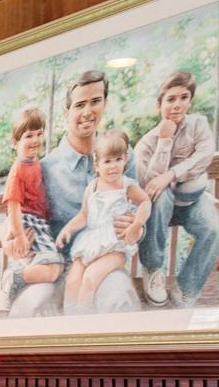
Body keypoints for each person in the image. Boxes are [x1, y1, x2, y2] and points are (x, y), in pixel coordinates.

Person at [9, 70, 143, 317]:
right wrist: (14, 243)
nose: (88, 112)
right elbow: (17, 221)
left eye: (95, 102)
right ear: (66, 112)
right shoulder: (44, 168)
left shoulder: (122, 155)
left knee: (119, 297)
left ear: (105, 103)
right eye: (80, 105)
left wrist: (135, 226)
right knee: (26, 308)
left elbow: (138, 213)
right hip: (56, 268)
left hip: (104, 262)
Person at [133, 69, 219, 306]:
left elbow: (204, 156)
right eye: (170, 99)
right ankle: (152, 268)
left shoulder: (198, 124)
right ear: (159, 104)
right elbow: (149, 184)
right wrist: (164, 142)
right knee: (159, 194)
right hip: (160, 207)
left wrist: (171, 175)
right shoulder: (146, 144)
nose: (177, 105)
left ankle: (186, 288)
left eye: (184, 98)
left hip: (192, 199)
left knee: (214, 231)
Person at [58, 127, 151, 308]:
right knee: (73, 281)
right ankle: (70, 319)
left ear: (125, 159)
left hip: (115, 246)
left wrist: (137, 224)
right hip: (91, 242)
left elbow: (145, 202)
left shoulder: (126, 186)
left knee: (90, 278)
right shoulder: (92, 188)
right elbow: (84, 215)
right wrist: (67, 229)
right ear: (97, 165)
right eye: (107, 161)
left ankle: (86, 319)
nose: (113, 166)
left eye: (118, 159)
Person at [0, 107, 63, 288]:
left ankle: (22, 279)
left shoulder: (35, 162)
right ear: (15, 142)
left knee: (55, 267)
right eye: (29, 136)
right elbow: (13, 208)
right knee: (53, 267)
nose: (35, 140)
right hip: (27, 222)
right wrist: (19, 236)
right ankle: (14, 278)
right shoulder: (18, 171)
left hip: (38, 222)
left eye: (39, 134)